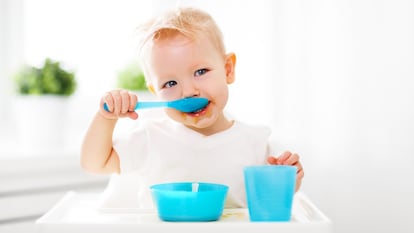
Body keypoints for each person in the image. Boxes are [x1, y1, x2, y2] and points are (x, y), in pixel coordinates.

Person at [81, 7, 304, 209]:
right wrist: (106, 117)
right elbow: (94, 163)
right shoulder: (151, 137)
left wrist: (285, 182)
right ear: (155, 92)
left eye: (200, 72)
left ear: (228, 70)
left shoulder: (255, 143)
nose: (188, 92)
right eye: (170, 83)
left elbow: (267, 205)